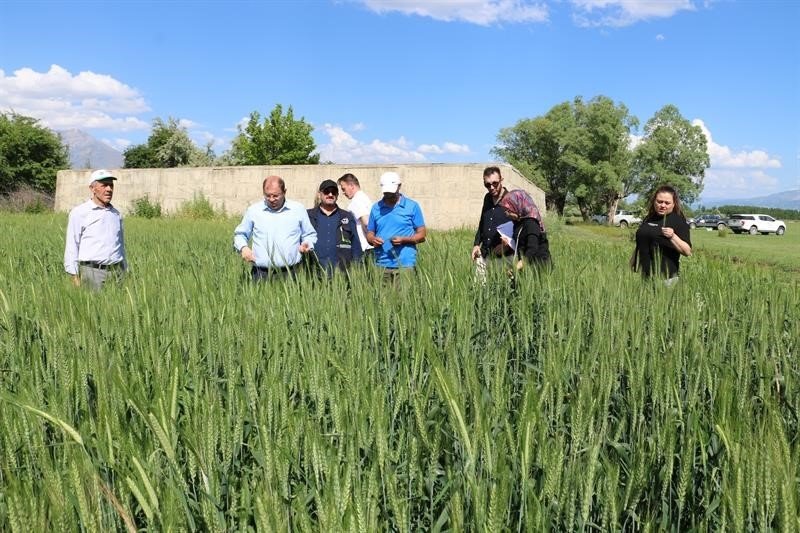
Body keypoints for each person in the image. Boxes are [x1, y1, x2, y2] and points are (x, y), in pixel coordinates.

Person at [233, 175, 317, 281]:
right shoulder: (253, 211)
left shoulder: (298, 209)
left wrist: (307, 244)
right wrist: (243, 248)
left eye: (276, 196)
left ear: (284, 192)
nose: (272, 199)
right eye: (268, 196)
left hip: (290, 273)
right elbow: (240, 234)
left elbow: (309, 234)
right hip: (260, 273)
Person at [64, 169, 127, 290]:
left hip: (117, 272)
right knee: (94, 307)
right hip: (92, 273)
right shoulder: (79, 213)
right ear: (92, 188)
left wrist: (124, 269)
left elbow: (121, 245)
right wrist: (74, 276)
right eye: (104, 185)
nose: (109, 189)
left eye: (111, 185)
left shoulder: (116, 214)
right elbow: (72, 245)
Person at [366, 171, 426, 275]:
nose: (389, 196)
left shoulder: (412, 206)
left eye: (392, 193)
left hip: (405, 264)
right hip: (381, 264)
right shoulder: (376, 208)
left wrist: (404, 240)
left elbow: (422, 234)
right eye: (386, 193)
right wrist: (373, 239)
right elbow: (370, 233)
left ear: (399, 186)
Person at [630, 185, 692, 284]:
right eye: (659, 201)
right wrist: (632, 262)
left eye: (667, 203)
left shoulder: (678, 221)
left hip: (666, 280)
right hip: (644, 276)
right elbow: (640, 243)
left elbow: (687, 251)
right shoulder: (649, 218)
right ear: (654, 201)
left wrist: (673, 236)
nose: (662, 205)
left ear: (674, 204)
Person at [306, 179, 362, 278]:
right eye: (327, 191)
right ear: (320, 194)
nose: (330, 194)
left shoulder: (347, 216)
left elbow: (356, 245)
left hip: (341, 275)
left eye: (334, 192)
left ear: (337, 195)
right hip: (314, 274)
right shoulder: (308, 216)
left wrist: (357, 269)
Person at [471, 166, 514, 280]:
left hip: (504, 257)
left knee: (504, 292)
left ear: (501, 180)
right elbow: (483, 222)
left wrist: (507, 244)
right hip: (484, 254)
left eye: (495, 183)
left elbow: (520, 227)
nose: (491, 187)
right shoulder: (487, 198)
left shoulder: (511, 200)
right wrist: (476, 244)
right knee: (479, 291)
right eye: (487, 184)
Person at [499, 189, 551, 273]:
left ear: (518, 205)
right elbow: (520, 243)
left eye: (509, 210)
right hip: (525, 266)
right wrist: (507, 243)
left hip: (538, 267)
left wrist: (516, 267)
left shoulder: (532, 222)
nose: (507, 214)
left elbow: (532, 248)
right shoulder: (518, 222)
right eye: (505, 211)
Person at [337, 173, 374, 256]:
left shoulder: (356, 201)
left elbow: (366, 222)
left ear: (351, 185)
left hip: (365, 247)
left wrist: (370, 240)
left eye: (344, 189)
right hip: (371, 246)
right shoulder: (364, 197)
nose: (343, 192)